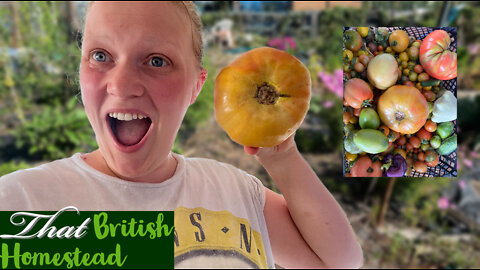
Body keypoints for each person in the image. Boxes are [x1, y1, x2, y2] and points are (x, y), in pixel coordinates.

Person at [0, 2, 363, 268]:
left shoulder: (234, 193)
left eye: (156, 61)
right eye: (100, 55)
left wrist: (280, 154)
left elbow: (337, 263)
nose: (123, 86)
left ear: (196, 86)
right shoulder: (22, 204)